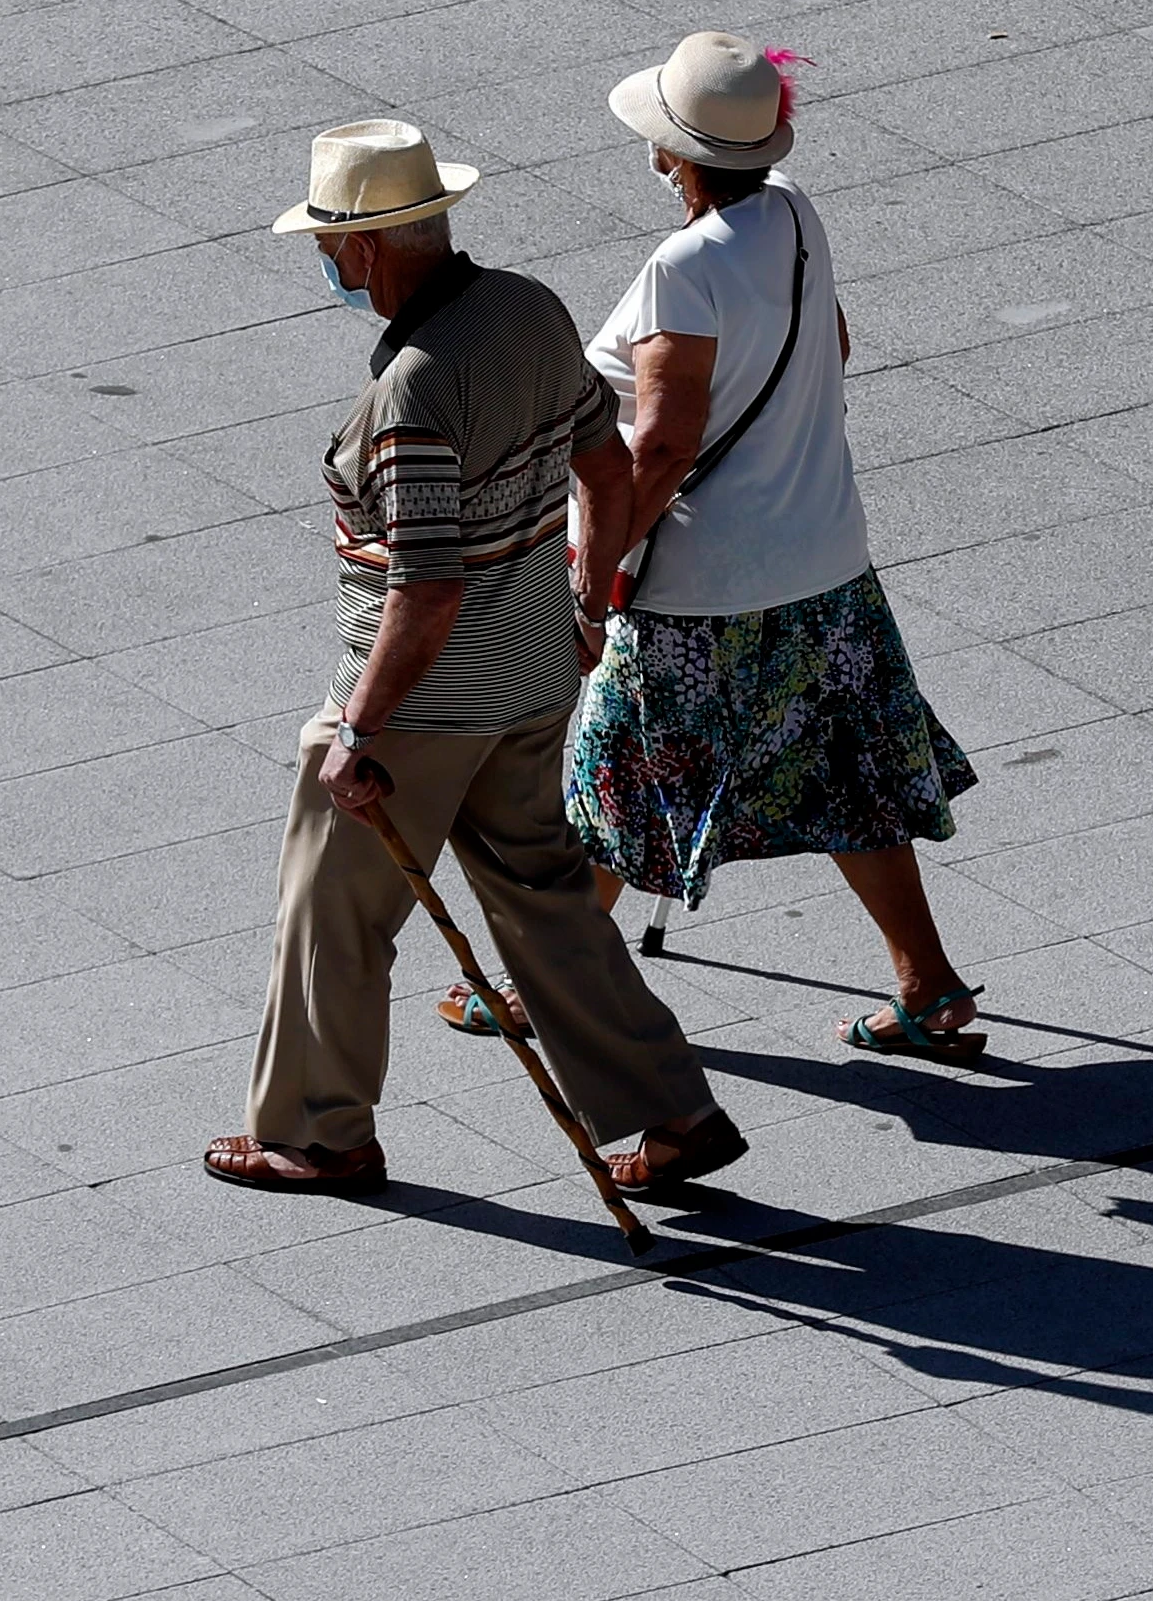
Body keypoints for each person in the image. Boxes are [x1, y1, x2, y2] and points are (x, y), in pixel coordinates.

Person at [206, 120, 744, 1196]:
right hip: (534, 674)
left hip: (423, 705)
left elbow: (428, 582)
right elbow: (603, 460)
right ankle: (672, 1108)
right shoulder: (531, 309)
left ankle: (319, 1131)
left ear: (366, 248)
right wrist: (585, 602)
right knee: (544, 897)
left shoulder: (409, 392)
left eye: (329, 240)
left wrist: (360, 727)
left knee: (333, 911)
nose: (326, 260)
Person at [434, 34, 986, 1062]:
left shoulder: (682, 269)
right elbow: (835, 344)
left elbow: (667, 442)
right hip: (823, 556)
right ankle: (929, 983)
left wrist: (595, 578)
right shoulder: (795, 214)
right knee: (848, 772)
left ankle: (542, 983)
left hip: (700, 587)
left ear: (671, 157)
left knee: (613, 783)